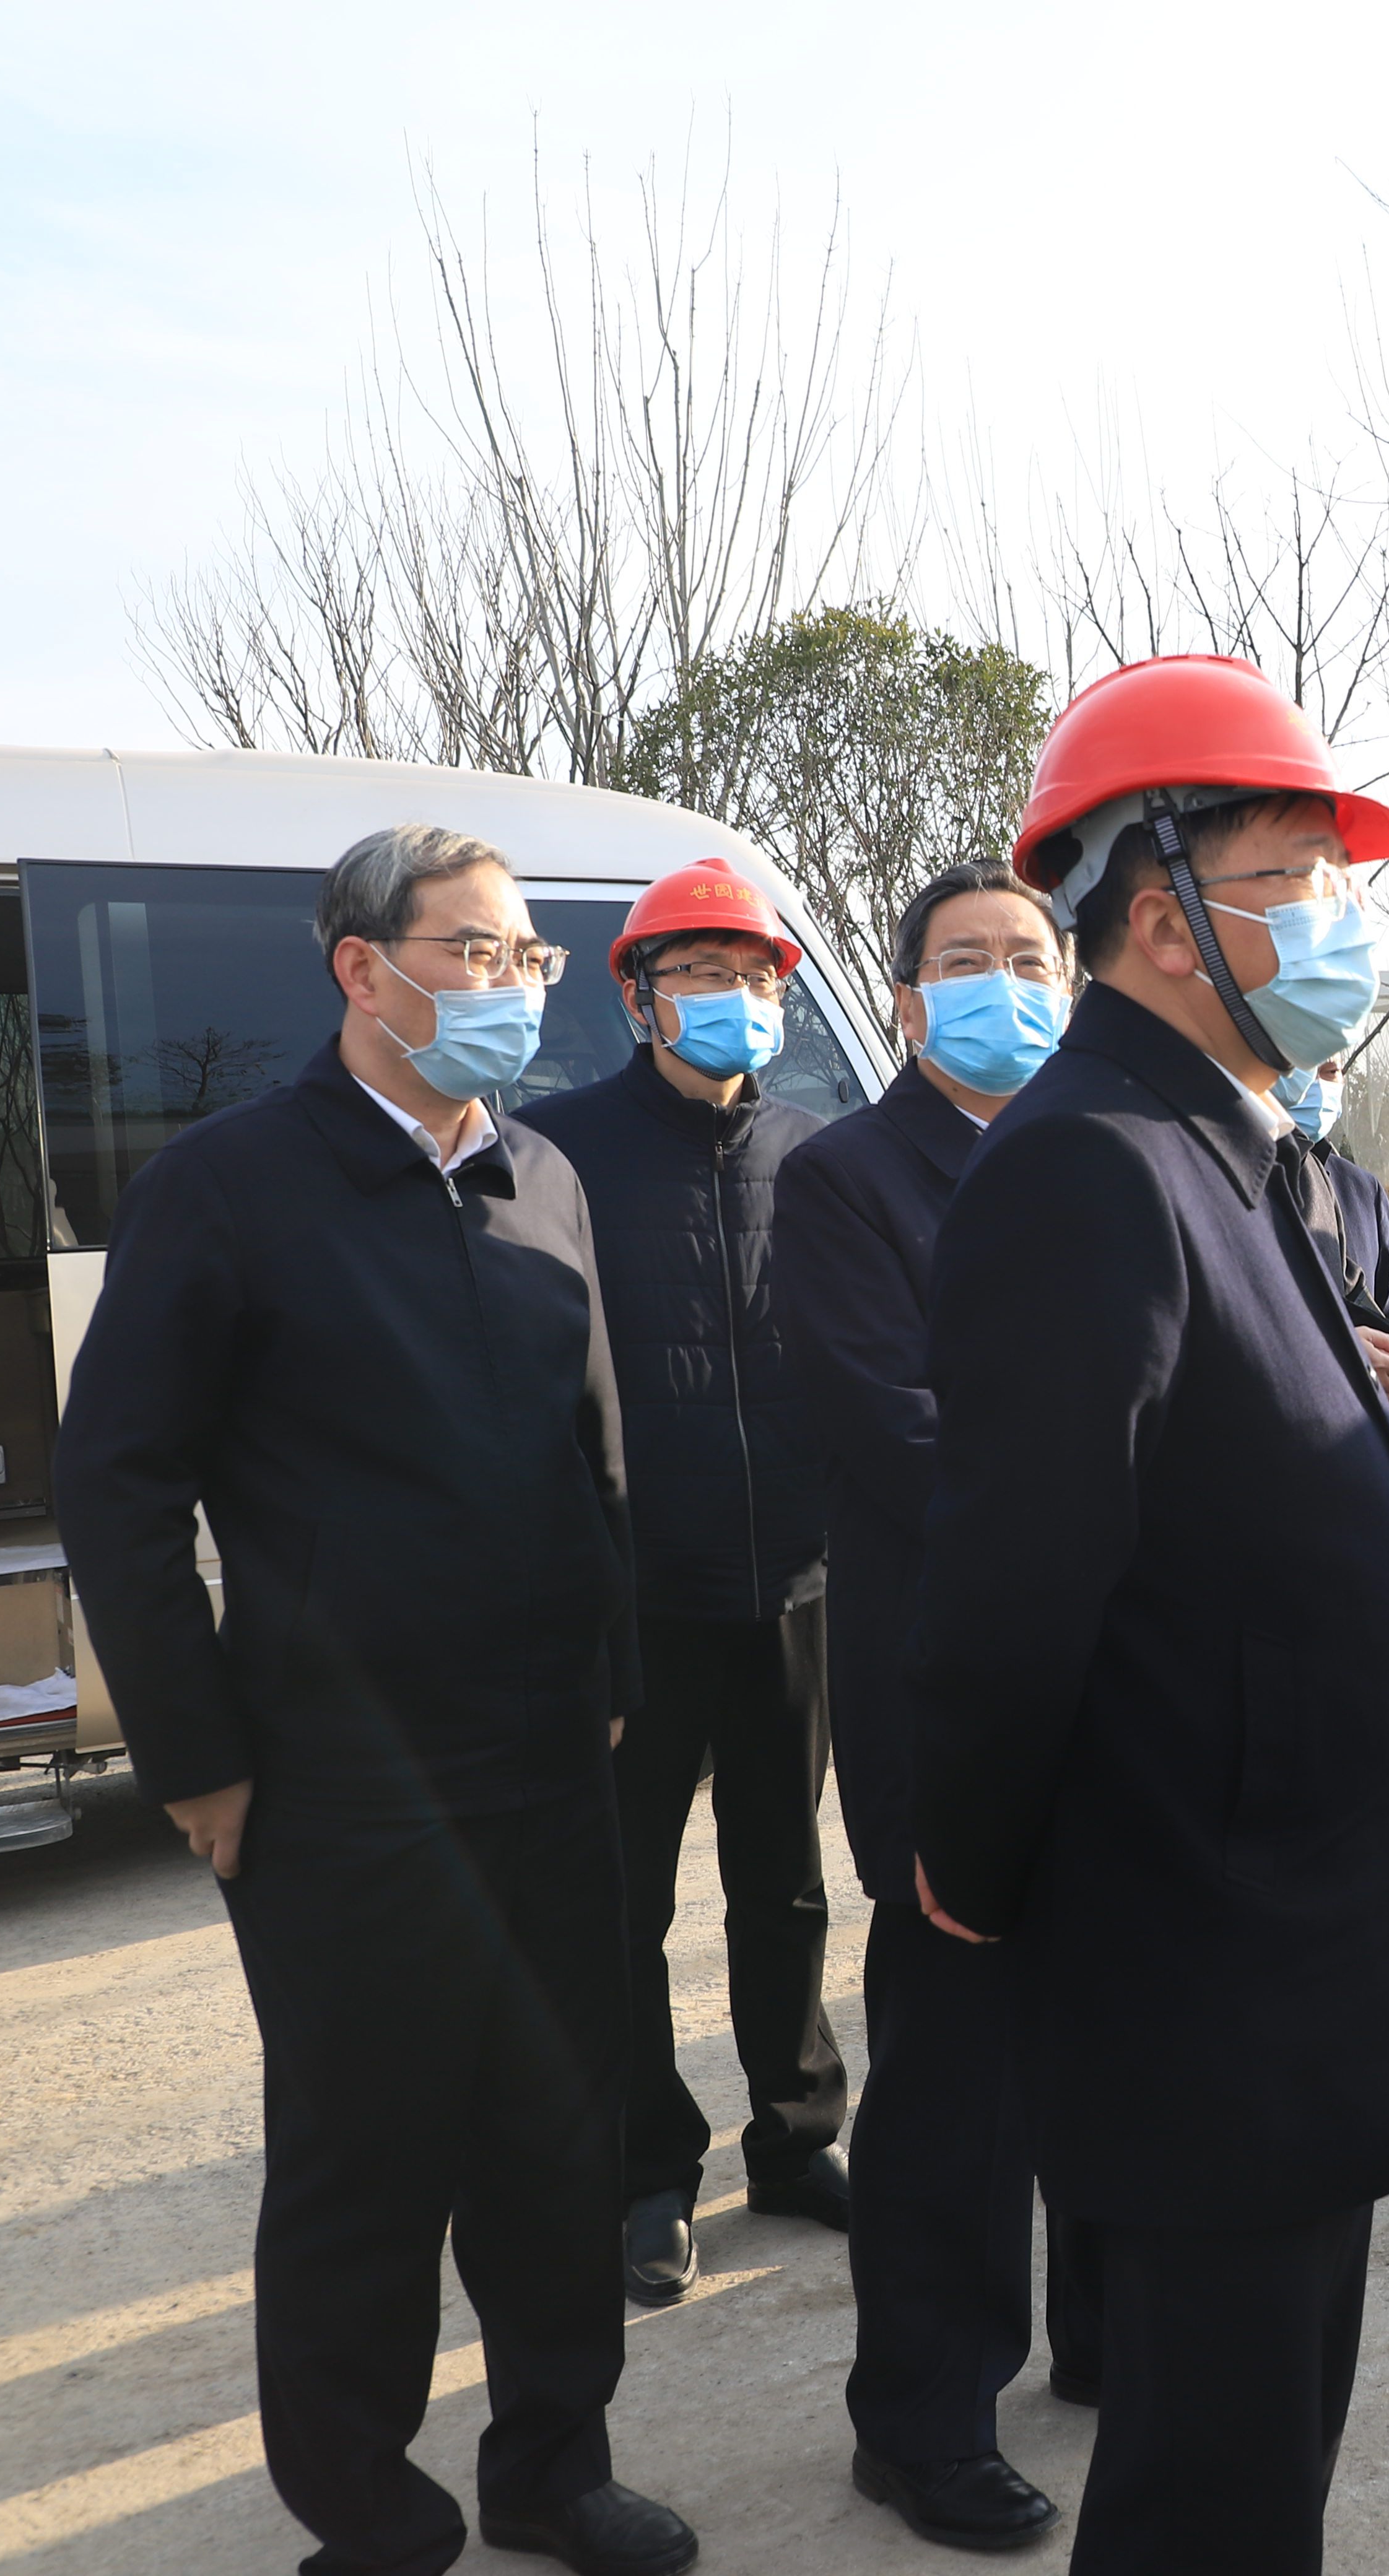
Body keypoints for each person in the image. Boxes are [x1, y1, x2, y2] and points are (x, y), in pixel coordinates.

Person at [901, 656, 1389, 2575]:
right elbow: (1016, 1584)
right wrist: (971, 1862)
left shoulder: (1226, 1145)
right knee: (1212, 2484)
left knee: (1265, 2446)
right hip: (1209, 1950)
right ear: (1166, 920)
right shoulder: (1089, 1168)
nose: (1339, 924)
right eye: (1298, 879)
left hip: (1286, 1931)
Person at [55, 825, 697, 2576]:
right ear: (363, 966)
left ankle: (552, 2467)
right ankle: (369, 2518)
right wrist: (194, 1755)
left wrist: (614, 1682)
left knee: (556, 2142)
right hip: (338, 1783)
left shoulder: (541, 1176)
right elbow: (119, 1487)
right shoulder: (229, 1186)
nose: (512, 986)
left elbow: (597, 1453)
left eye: (526, 958)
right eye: (476, 952)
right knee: (365, 2165)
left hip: (550, 1760)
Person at [771, 862, 1098, 2549]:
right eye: (964, 961)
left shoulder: (1106, 1153)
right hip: (946, 1673)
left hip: (1115, 1670)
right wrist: (1118, 1500)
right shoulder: (846, 1178)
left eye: (1028, 958)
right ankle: (920, 2420)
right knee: (958, 2071)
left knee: (1112, 2026)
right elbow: (892, 1422)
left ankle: (1099, 2337)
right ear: (905, 1002)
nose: (1001, 985)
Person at [516, 859, 848, 2315]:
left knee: (786, 1886)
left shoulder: (815, 1154)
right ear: (639, 995)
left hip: (795, 1586)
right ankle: (647, 2169)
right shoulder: (560, 1154)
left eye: (753, 974)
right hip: (636, 1603)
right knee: (620, 1906)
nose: (731, 997)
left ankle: (797, 2136)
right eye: (699, 974)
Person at [1278, 1051, 1389, 1403]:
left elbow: (1379, 1316)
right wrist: (1337, 1356)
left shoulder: (1360, 1190)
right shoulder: (1232, 1174)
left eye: (1331, 1073)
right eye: (1307, 1070)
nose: (1318, 1088)